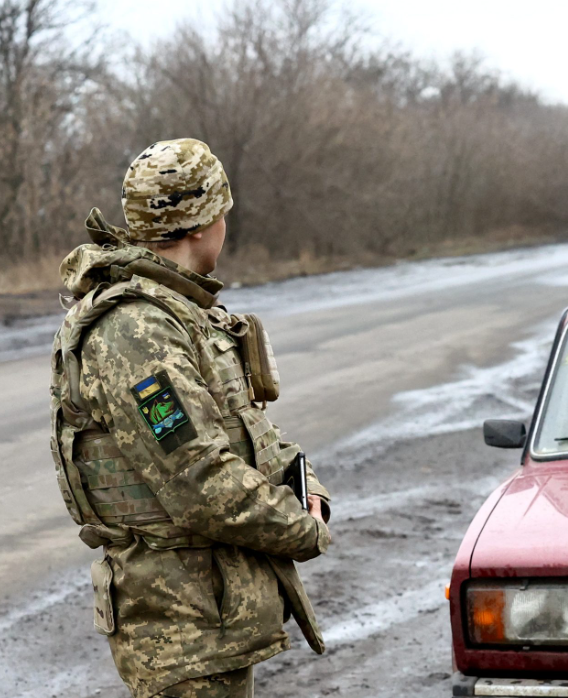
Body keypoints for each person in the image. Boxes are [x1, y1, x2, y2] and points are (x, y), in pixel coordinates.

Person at [49, 139, 332, 698]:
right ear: (204, 223)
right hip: (181, 627)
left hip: (212, 618)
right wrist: (301, 527)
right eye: (223, 211)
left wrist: (306, 483)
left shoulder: (183, 313)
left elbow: (248, 427)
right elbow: (197, 479)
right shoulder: (136, 332)